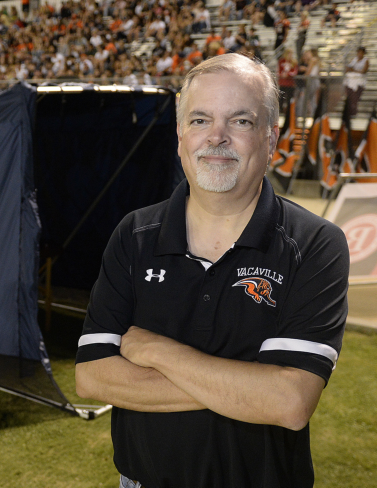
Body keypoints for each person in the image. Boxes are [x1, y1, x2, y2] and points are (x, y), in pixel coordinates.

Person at [75, 53, 349, 488]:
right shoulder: (135, 234)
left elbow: (290, 402)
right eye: (201, 120)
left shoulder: (316, 244)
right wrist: (246, 389)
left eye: (240, 121)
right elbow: (91, 376)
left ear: (270, 136)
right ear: (181, 134)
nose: (216, 137)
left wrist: (157, 352)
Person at [344, 46, 369, 118]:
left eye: (361, 53)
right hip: (351, 79)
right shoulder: (354, 60)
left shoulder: (366, 60)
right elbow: (348, 68)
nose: (359, 54)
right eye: (358, 52)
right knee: (350, 94)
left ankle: (353, 111)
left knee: (355, 96)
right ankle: (350, 111)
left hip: (359, 80)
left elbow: (363, 71)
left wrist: (354, 70)